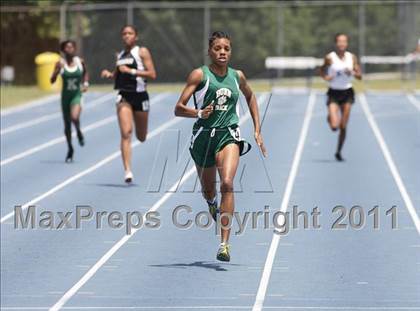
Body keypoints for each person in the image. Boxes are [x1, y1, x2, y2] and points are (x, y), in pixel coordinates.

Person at [174, 31, 267, 262]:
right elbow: (178, 108)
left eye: (226, 48)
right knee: (209, 190)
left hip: (228, 135)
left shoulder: (238, 76)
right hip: (204, 137)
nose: (222, 52)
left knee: (227, 182)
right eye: (218, 48)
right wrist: (198, 112)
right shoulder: (199, 75)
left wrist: (257, 129)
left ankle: (224, 244)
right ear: (210, 51)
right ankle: (211, 203)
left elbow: (251, 97)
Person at [101, 25, 156, 183]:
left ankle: (140, 137)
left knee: (142, 137)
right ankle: (128, 171)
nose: (126, 36)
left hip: (140, 96)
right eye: (124, 33)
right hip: (124, 96)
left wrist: (131, 71)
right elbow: (118, 74)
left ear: (136, 36)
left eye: (130, 33)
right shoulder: (121, 55)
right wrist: (109, 74)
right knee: (126, 133)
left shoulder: (142, 52)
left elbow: (152, 74)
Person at [320, 33, 362, 161]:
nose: (342, 44)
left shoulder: (352, 57)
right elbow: (321, 70)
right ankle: (330, 116)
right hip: (333, 92)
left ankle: (338, 151)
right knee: (334, 127)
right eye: (339, 41)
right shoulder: (330, 57)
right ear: (336, 43)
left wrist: (353, 73)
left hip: (347, 92)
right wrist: (327, 77)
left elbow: (359, 76)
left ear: (347, 43)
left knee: (343, 126)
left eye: (344, 41)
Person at [51, 40, 89, 162]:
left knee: (74, 117)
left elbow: (85, 73)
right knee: (67, 126)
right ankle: (70, 148)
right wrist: (57, 71)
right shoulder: (60, 63)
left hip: (76, 95)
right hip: (65, 97)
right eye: (67, 47)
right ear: (63, 50)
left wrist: (85, 83)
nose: (69, 49)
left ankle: (78, 132)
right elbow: (51, 80)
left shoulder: (79, 61)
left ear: (75, 49)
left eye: (71, 47)